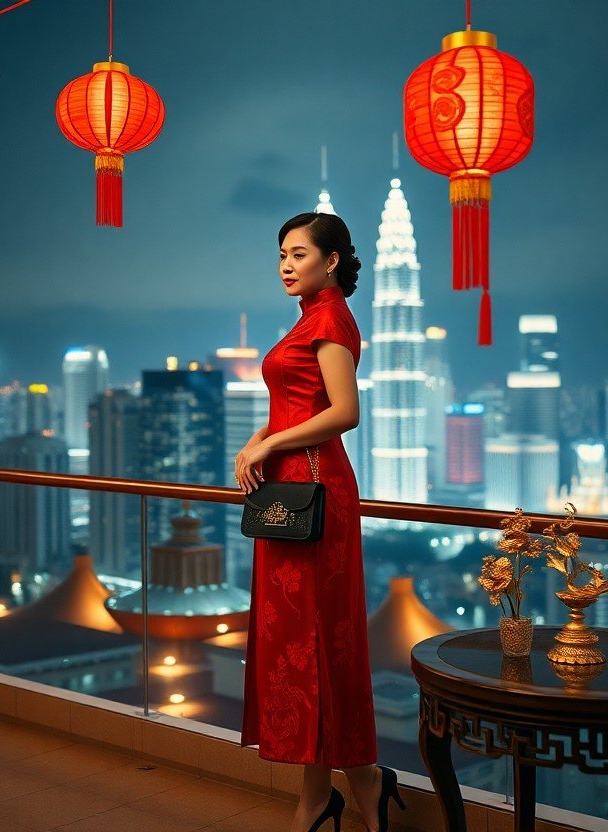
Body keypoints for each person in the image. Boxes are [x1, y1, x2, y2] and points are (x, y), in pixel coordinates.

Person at [235, 212, 404, 832]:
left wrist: (265, 447)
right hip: (290, 486)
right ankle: (350, 785)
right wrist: (260, 440)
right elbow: (292, 405)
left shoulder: (330, 320)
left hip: (315, 491)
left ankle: (332, 794)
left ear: (330, 260)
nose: (285, 263)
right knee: (299, 644)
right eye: (281, 253)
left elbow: (345, 411)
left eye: (298, 253)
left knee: (317, 638)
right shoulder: (307, 319)